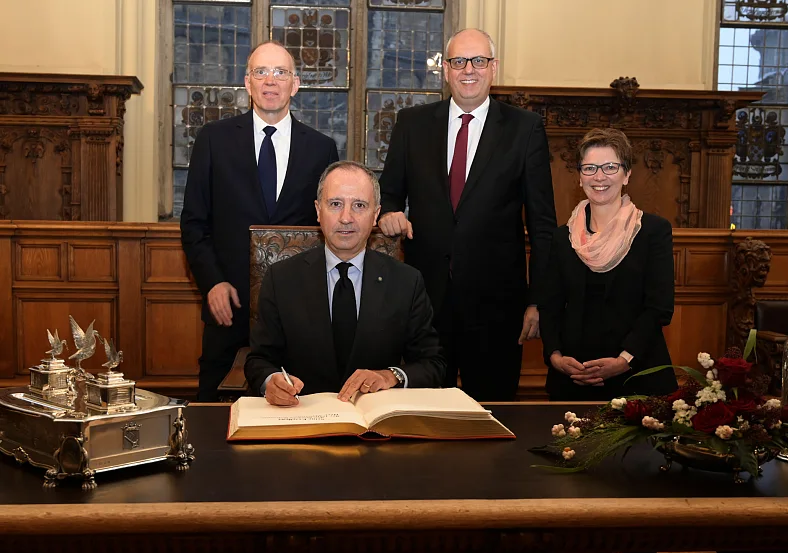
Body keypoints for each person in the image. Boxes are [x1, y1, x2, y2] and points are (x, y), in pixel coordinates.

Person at [378, 28, 557, 402]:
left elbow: (542, 225)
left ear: (493, 68)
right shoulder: (412, 124)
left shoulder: (525, 129)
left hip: (497, 308)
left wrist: (537, 301)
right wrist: (390, 213)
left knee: (492, 421)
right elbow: (390, 193)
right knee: (423, 417)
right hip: (424, 302)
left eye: (479, 61)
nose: (468, 70)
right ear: (445, 69)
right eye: (459, 61)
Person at [181, 40, 339, 402]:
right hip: (228, 303)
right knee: (214, 412)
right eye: (261, 72)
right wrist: (213, 283)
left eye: (280, 72)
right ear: (247, 82)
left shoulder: (321, 148)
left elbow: (325, 228)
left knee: (298, 408)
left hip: (298, 308)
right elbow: (194, 223)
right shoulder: (212, 140)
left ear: (295, 84)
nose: (270, 81)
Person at [245, 161, 446, 406]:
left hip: (375, 428)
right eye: (335, 204)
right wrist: (271, 381)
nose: (346, 218)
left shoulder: (407, 281)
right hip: (303, 420)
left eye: (359, 205)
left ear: (375, 214)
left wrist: (390, 375)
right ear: (318, 211)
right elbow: (259, 360)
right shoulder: (281, 279)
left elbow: (433, 364)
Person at [539, 128, 677, 401]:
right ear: (579, 177)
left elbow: (659, 308)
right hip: (573, 377)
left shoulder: (653, 231)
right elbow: (551, 304)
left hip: (637, 375)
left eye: (610, 167)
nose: (599, 177)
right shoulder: (562, 237)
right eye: (589, 168)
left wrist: (624, 360)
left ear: (626, 175)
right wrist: (555, 356)